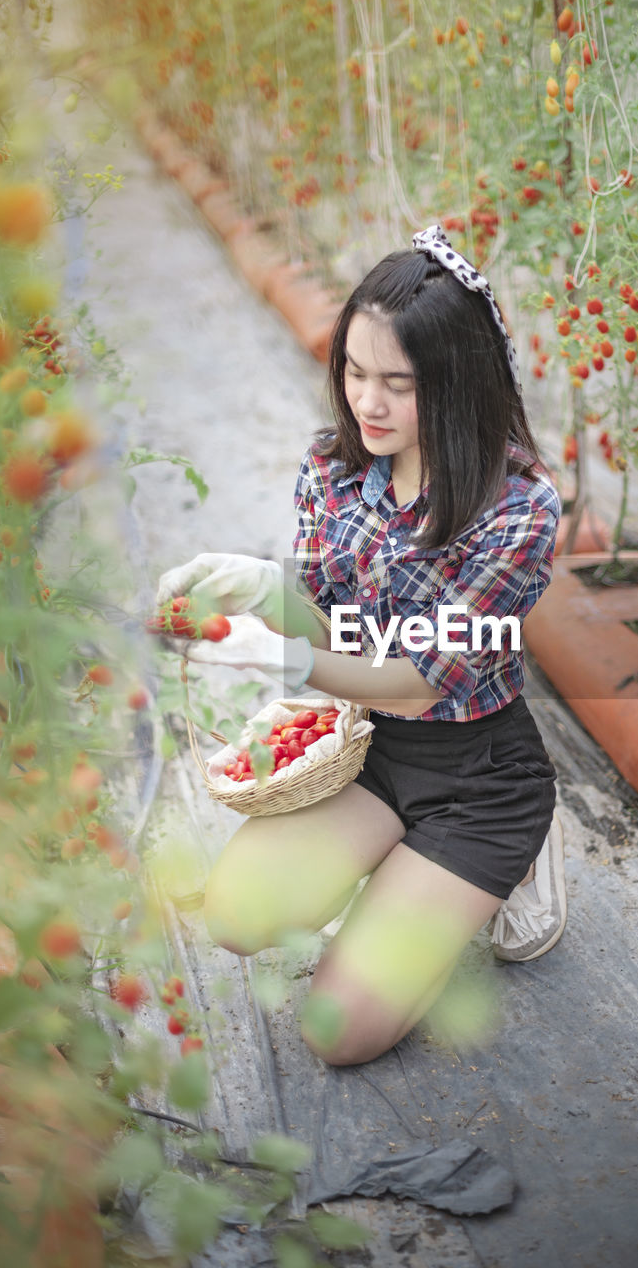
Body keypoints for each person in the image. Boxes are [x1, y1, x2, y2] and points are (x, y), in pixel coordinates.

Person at [155, 225, 566, 1066]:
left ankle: (503, 867)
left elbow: (418, 681)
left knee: (334, 1036)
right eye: (353, 371)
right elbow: (325, 616)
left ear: (456, 385)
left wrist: (281, 661)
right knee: (236, 918)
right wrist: (255, 586)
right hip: (367, 753)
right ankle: (406, 876)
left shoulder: (518, 509)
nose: (366, 403)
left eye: (397, 384)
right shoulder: (333, 471)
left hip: (479, 778)